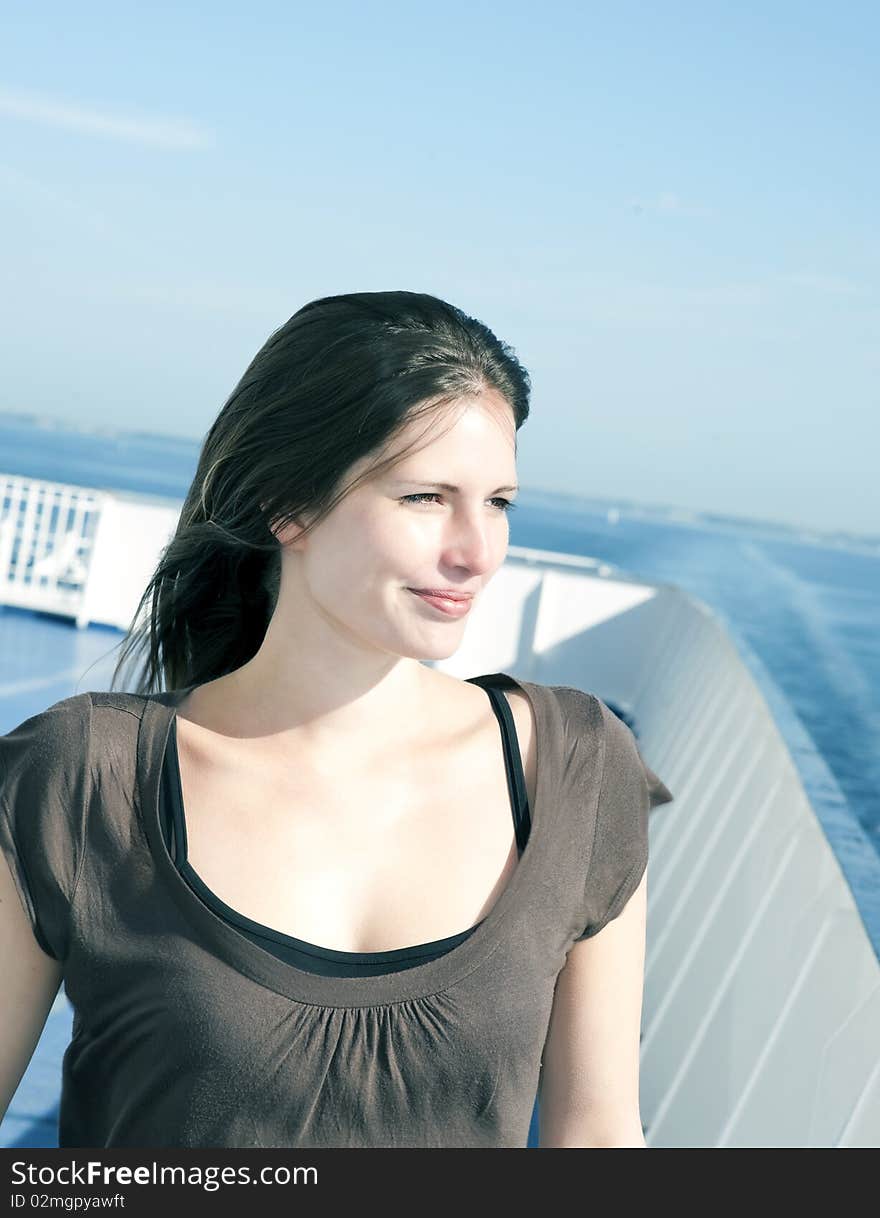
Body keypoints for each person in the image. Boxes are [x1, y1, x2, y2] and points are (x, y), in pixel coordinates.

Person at [0, 290, 673, 1149]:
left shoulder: (575, 771)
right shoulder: (81, 776)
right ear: (291, 503)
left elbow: (599, 1138)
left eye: (499, 502)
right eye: (427, 497)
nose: (477, 550)